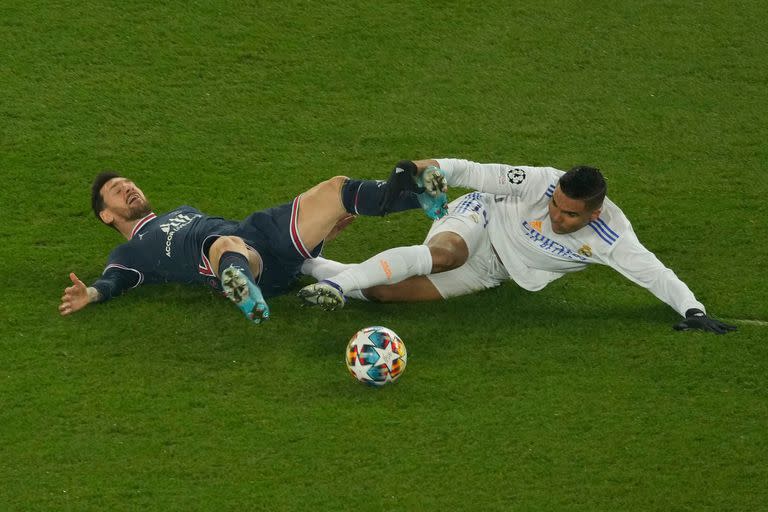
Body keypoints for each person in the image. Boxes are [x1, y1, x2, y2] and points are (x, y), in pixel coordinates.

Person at [298, 158, 737, 334]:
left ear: (594, 214)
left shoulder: (611, 237)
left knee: (383, 294)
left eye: (569, 215)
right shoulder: (542, 184)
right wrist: (420, 167)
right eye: (557, 206)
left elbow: (654, 274)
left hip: (494, 271)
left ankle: (307, 267)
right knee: (447, 254)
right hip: (481, 220)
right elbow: (474, 171)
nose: (556, 216)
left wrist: (693, 311)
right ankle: (339, 286)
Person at [58, 162, 447, 324]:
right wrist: (91, 294)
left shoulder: (183, 209)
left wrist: (321, 237)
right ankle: (246, 292)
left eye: (128, 182)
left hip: (261, 231)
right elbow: (115, 281)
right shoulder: (129, 252)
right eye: (115, 190)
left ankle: (421, 198)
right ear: (106, 215)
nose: (127, 187)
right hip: (238, 257)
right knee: (224, 243)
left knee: (335, 191)